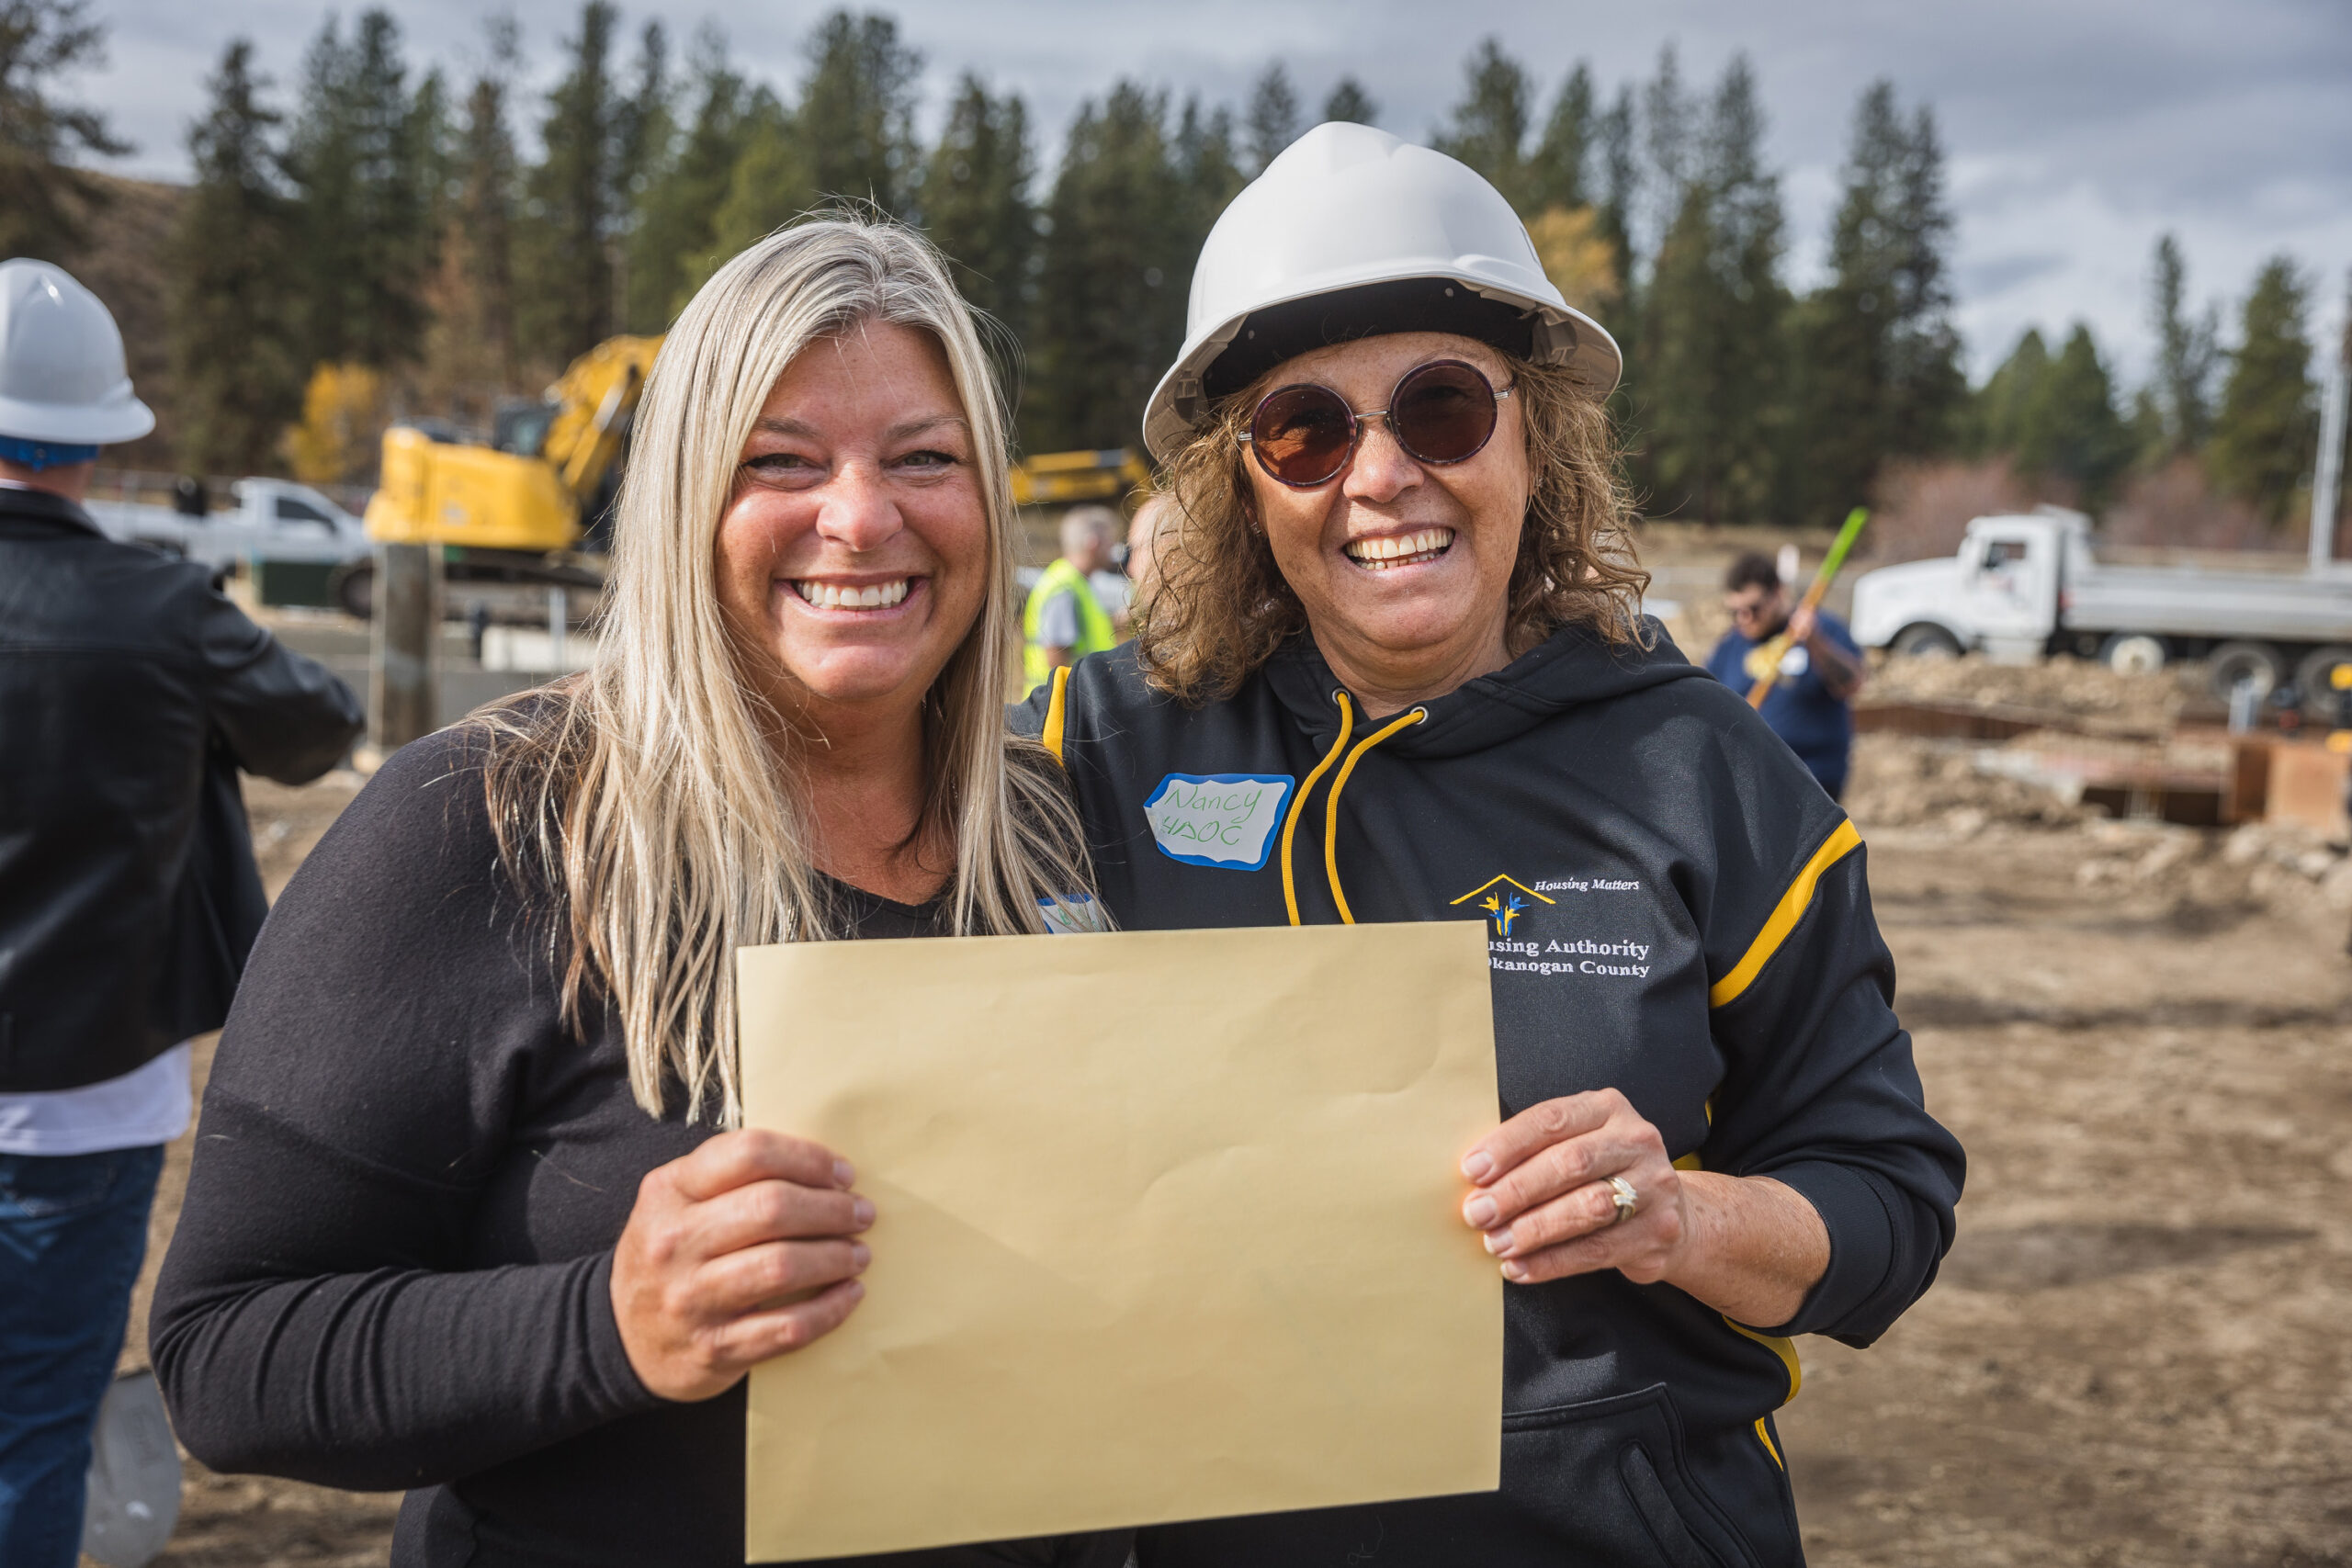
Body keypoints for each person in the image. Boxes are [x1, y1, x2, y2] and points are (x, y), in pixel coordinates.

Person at [1015, 123, 1962, 1566]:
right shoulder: (1092, 747)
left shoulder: (1706, 774)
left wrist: (1680, 1216)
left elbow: (1887, 1201)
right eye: (1305, 428)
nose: (1380, 472)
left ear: (1538, 435)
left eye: (1442, 409)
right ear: (1243, 483)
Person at [152, 220, 1125, 1568]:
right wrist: (607, 1323)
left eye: (925, 458)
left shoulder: (1057, 838)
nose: (861, 516)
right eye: (780, 461)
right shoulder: (484, 826)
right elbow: (228, 1350)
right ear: (683, 497)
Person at [0, 257, 363, 1567]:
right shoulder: (160, 612)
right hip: (82, 1099)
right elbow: (320, 723)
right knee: (34, 1427)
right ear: (100, 439)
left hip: (82, 1101)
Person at [1707, 550, 1868, 801]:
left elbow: (1851, 684)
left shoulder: (1821, 629)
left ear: (1777, 593)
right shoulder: (1730, 646)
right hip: (1753, 779)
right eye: (1735, 612)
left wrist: (1814, 640)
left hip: (1814, 779)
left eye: (1753, 608)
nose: (1744, 619)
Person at [1022, 502, 1119, 691]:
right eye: (1110, 541)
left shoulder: (1077, 582)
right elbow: (1057, 659)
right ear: (1094, 544)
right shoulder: (1065, 587)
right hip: (1059, 711)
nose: (1113, 548)